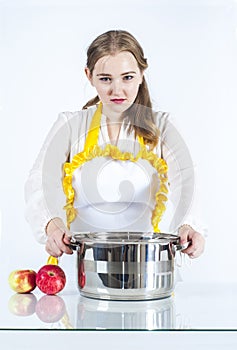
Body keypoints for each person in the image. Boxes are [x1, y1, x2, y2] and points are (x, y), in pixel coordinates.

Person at [24, 29, 205, 261]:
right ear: (89, 76)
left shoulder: (164, 127)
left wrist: (188, 224)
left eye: (127, 77)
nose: (117, 90)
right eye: (105, 79)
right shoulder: (69, 126)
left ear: (141, 74)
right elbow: (40, 180)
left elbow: (188, 180)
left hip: (145, 263)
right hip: (81, 262)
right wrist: (53, 225)